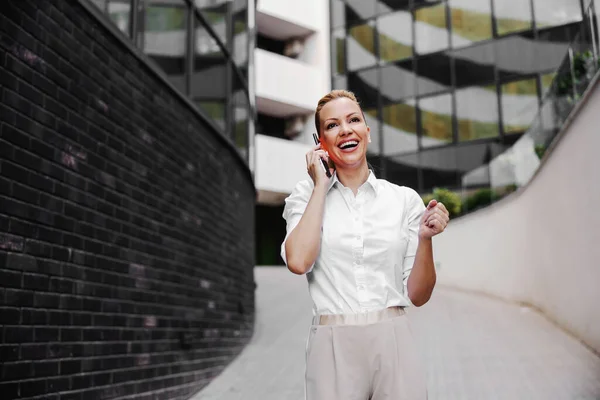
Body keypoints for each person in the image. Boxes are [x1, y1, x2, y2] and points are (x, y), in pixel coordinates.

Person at [280, 90, 449, 399]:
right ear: (320, 143)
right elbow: (298, 261)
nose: (345, 129)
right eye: (332, 125)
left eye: (353, 120)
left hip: (393, 337)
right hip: (330, 344)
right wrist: (320, 185)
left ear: (366, 133)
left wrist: (425, 240)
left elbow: (419, 295)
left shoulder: (403, 200)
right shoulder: (305, 197)